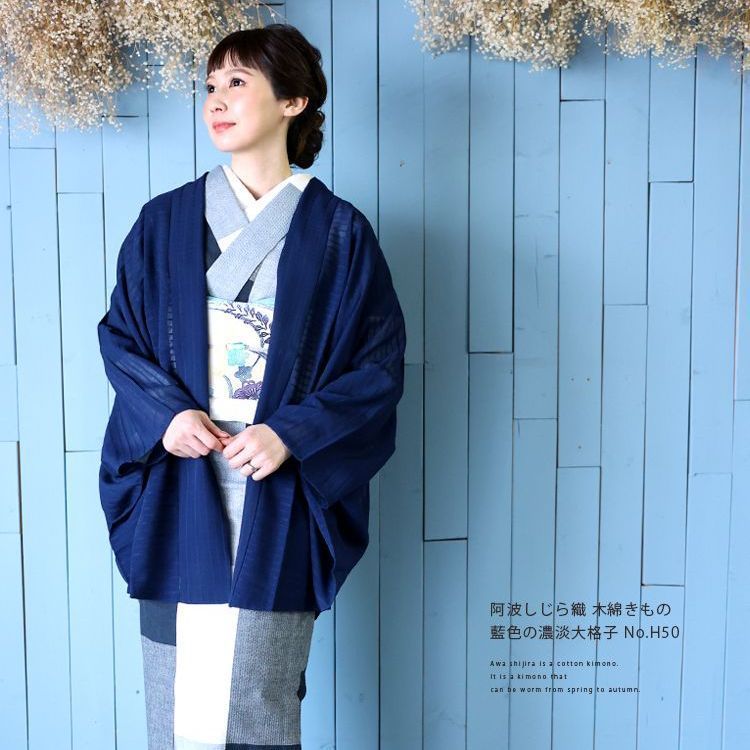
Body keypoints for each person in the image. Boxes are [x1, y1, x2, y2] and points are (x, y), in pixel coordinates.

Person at [96, 23, 407, 750]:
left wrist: (291, 433)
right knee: (177, 704)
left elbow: (376, 367)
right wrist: (167, 415)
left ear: (293, 100)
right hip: (182, 475)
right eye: (210, 85)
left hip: (279, 482)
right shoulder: (164, 222)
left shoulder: (339, 233)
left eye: (237, 82)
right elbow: (121, 336)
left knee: (258, 703)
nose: (216, 99)